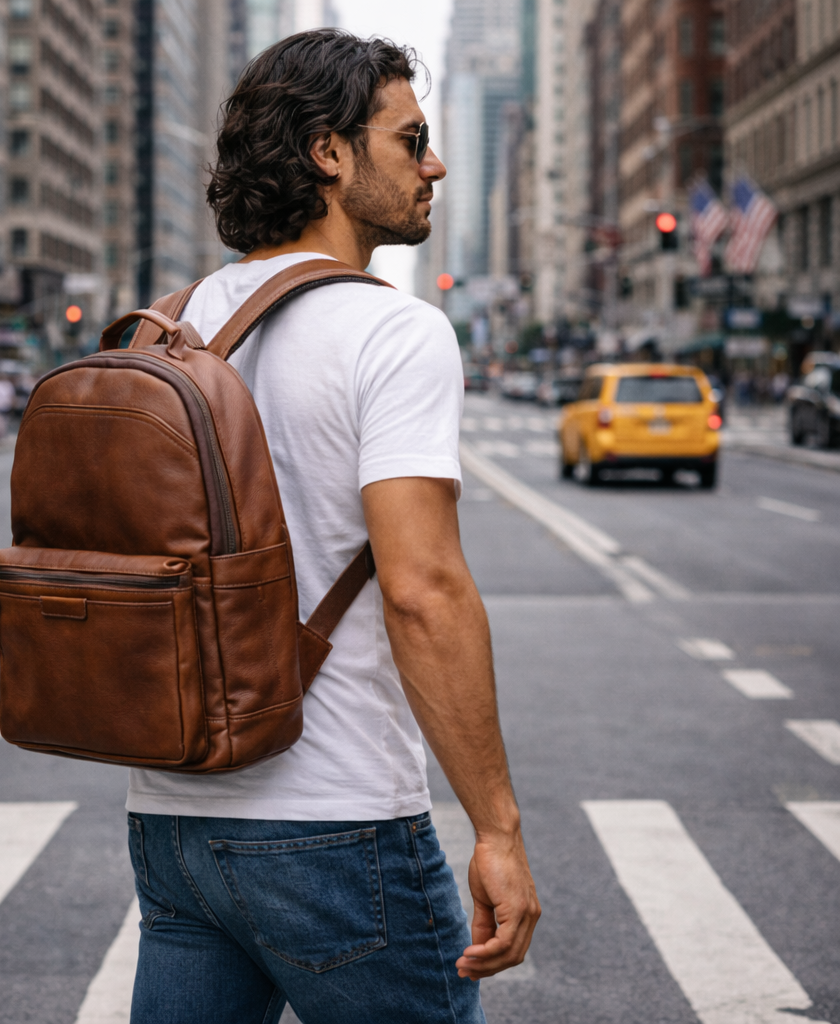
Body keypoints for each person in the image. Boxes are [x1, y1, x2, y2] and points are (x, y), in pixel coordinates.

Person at [125, 30, 540, 1024]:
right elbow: (421, 588)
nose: (432, 164)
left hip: (174, 823)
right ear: (328, 153)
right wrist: (496, 826)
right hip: (337, 823)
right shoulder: (393, 330)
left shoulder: (162, 329)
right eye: (410, 140)